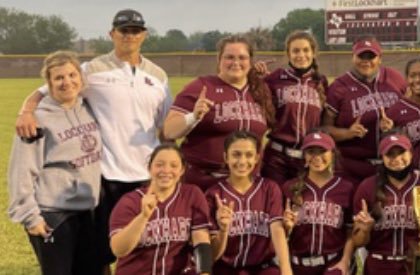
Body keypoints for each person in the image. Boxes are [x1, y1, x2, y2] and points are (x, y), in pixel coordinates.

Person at [15, 9, 171, 273]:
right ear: (112, 34)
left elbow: (165, 128)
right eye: (123, 30)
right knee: (100, 253)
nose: (129, 36)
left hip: (146, 177)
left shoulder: (159, 76)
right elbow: (47, 89)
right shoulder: (91, 70)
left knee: (148, 247)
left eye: (135, 31)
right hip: (106, 178)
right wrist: (26, 111)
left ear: (144, 35)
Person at [7, 51, 102, 275]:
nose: (67, 82)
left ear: (81, 76)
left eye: (72, 75)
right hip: (54, 215)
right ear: (48, 83)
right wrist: (31, 218)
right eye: (58, 78)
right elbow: (21, 170)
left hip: (87, 211)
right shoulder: (36, 120)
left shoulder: (88, 107)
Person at [164, 35, 273, 191]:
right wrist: (193, 116)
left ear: (251, 61)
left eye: (242, 57)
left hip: (247, 184)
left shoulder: (261, 91)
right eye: (229, 57)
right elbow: (169, 131)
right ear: (219, 60)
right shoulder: (202, 86)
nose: (236, 63)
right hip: (203, 182)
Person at [109, 144, 212, 275]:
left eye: (174, 165)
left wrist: (204, 272)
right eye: (159, 165)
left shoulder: (192, 194)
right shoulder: (130, 201)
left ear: (182, 170)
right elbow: (118, 249)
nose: (166, 170)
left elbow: (201, 239)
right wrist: (143, 216)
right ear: (149, 168)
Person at [322, 35, 406, 185]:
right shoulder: (339, 87)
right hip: (352, 167)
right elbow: (325, 129)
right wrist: (348, 133)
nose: (366, 61)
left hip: (392, 166)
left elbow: (410, 114)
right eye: (361, 56)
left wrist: (395, 128)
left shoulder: (395, 78)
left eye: (371, 56)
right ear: (353, 57)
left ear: (380, 58)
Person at [205, 131, 292, 274]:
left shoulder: (269, 188)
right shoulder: (214, 194)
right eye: (236, 154)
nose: (242, 161)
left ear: (257, 158)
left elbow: (277, 230)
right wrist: (223, 230)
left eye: (249, 155)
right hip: (225, 269)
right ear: (226, 157)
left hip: (262, 268)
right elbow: (213, 256)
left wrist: (286, 270)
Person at [351, 133, 420, 274]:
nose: (396, 159)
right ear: (382, 157)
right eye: (390, 154)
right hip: (380, 265)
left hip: (416, 263)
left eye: (401, 153)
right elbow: (358, 242)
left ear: (411, 153)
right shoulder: (367, 187)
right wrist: (364, 229)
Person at [260, 30, 329, 184]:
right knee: (275, 205)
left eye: (306, 50)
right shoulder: (275, 78)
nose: (301, 55)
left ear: (313, 53)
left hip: (308, 158)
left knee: (301, 205)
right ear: (288, 54)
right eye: (295, 50)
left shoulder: (321, 82)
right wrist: (255, 77)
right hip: (276, 158)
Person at [281, 131, 355, 274]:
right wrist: (286, 228)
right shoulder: (290, 187)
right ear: (304, 156)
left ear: (333, 154)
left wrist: (345, 260)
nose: (316, 157)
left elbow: (350, 231)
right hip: (297, 265)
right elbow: (278, 234)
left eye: (322, 151)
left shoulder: (346, 188)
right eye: (311, 152)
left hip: (332, 264)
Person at [381, 58, 420, 180]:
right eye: (412, 76)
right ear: (407, 79)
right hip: (407, 177)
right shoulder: (395, 110)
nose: (417, 80)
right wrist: (387, 131)